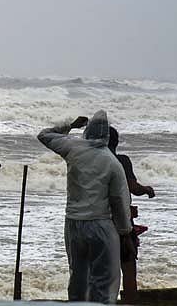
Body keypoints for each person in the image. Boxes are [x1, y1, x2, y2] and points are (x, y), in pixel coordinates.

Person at [37, 110, 132, 304]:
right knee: (105, 281)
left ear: (87, 131)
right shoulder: (112, 163)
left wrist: (70, 126)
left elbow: (44, 135)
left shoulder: (73, 147)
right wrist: (125, 233)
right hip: (101, 225)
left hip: (73, 223)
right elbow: (119, 201)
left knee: (78, 278)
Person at [108, 126, 155, 303]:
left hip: (96, 220)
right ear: (116, 142)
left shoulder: (90, 161)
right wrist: (147, 190)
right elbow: (133, 188)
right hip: (121, 221)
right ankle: (130, 301)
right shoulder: (121, 161)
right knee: (128, 266)